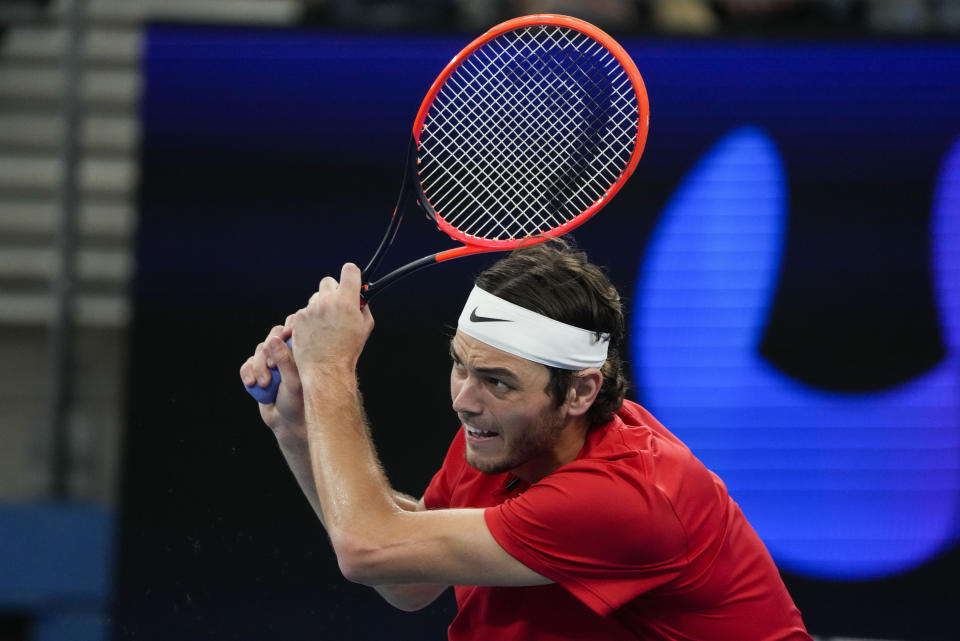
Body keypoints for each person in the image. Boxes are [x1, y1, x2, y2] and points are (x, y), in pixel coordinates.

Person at [239, 239, 812, 640]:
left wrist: (330, 367)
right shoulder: (502, 437)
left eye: (497, 381)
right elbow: (407, 578)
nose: (464, 399)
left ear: (581, 392)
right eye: (460, 366)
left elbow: (367, 548)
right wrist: (297, 426)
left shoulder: (626, 499)